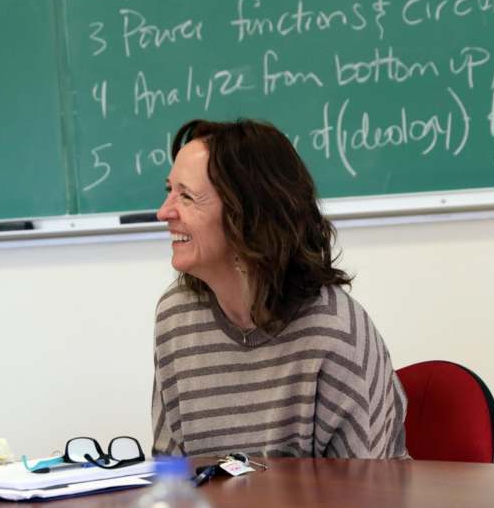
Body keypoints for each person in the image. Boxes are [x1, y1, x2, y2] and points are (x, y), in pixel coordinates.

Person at [151, 119, 408, 459]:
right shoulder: (176, 317)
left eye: (186, 196)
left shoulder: (334, 332)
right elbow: (169, 470)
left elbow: (365, 484)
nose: (163, 212)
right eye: (169, 190)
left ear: (248, 215)